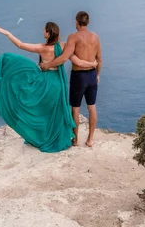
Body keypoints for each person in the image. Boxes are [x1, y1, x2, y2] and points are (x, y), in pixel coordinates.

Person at [0, 22, 97, 153]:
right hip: (57, 84)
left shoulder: (42, 48)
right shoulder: (63, 47)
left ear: (48, 33)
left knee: (42, 111)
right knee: (56, 112)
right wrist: (93, 63)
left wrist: (7, 33)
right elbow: (78, 62)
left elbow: (20, 45)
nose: (42, 31)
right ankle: (61, 138)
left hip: (45, 82)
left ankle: (43, 137)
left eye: (44, 29)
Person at [40, 11, 102, 147]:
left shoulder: (73, 37)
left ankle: (75, 140)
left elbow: (64, 57)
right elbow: (99, 59)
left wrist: (47, 65)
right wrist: (97, 75)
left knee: (75, 108)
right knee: (92, 107)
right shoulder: (95, 37)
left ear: (76, 22)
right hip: (92, 75)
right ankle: (90, 140)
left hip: (79, 77)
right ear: (88, 22)